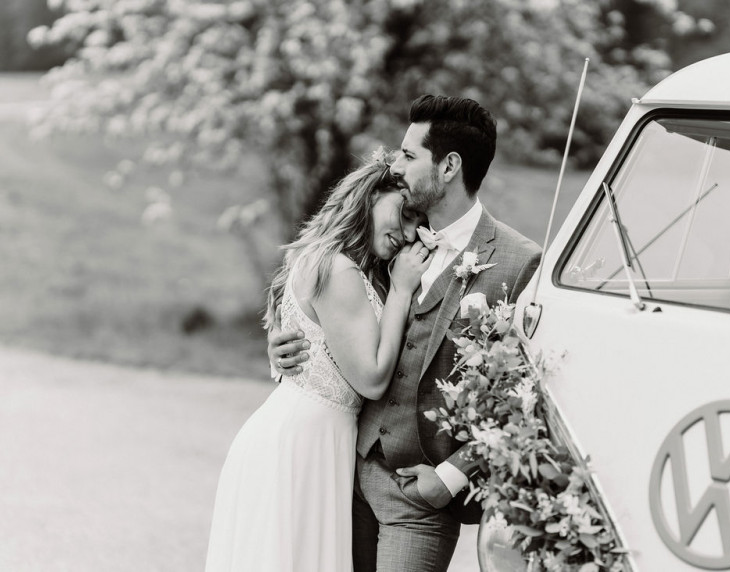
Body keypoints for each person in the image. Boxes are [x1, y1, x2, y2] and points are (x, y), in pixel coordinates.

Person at [269, 94, 542, 571]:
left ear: (449, 166)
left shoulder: (520, 262)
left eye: (409, 154)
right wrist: (286, 348)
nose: (395, 163)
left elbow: (528, 396)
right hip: (344, 473)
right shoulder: (387, 240)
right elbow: (328, 315)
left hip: (420, 498)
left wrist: (453, 476)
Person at [205, 154, 431, 572]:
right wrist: (400, 292)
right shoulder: (338, 268)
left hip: (316, 438)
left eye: (420, 223)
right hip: (301, 445)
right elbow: (373, 379)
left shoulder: (351, 265)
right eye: (405, 212)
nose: (410, 231)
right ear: (371, 193)